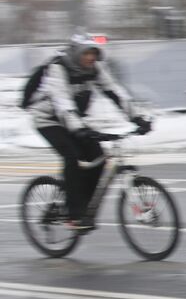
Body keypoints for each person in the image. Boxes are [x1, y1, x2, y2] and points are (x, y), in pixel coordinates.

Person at [24, 33, 152, 231]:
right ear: (76, 53)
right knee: (72, 156)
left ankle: (83, 206)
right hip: (47, 120)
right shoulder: (58, 68)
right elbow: (63, 103)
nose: (91, 58)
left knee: (99, 158)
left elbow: (115, 92)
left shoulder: (95, 69)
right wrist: (79, 129)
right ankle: (74, 215)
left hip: (73, 120)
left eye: (94, 53)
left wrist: (137, 118)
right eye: (86, 53)